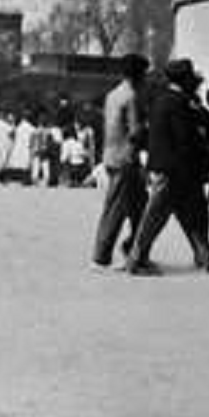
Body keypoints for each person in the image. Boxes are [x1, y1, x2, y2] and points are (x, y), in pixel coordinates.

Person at [126, 59, 209, 275]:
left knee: (194, 214)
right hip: (173, 169)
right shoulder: (177, 102)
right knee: (155, 217)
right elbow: (185, 137)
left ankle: (206, 254)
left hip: (176, 169)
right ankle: (136, 259)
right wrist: (204, 154)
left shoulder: (167, 99)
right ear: (184, 79)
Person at [91, 54, 150, 270]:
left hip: (111, 154)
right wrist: (148, 127)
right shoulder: (132, 97)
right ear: (139, 74)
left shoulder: (113, 94)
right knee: (117, 209)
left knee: (139, 208)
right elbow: (135, 131)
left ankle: (134, 251)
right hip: (126, 158)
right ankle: (101, 256)